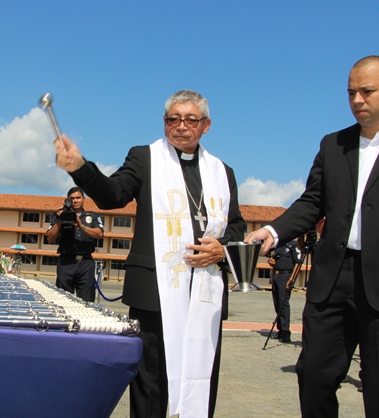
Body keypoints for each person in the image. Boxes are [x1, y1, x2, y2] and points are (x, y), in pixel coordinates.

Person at [245, 56, 379, 417]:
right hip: (332, 280)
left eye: (367, 91)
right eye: (351, 92)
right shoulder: (333, 144)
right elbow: (312, 202)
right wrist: (273, 229)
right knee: (313, 375)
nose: (357, 100)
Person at [53, 90, 245, 417]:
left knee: (201, 376)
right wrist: (81, 169)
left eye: (190, 120)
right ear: (164, 122)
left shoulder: (222, 172)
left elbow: (236, 225)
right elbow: (113, 195)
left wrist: (222, 247)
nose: (181, 126)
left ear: (206, 125)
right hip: (155, 290)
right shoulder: (145, 158)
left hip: (205, 291)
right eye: (173, 119)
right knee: (151, 384)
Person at [45, 187, 104, 302]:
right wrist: (59, 220)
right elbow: (50, 238)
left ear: (83, 199)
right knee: (62, 300)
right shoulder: (60, 216)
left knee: (87, 302)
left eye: (78, 198)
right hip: (66, 262)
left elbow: (99, 234)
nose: (75, 201)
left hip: (86, 263)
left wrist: (82, 226)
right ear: (67, 200)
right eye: (72, 198)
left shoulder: (92, 216)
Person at [268, 239, 301, 343]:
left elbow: (298, 263)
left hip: (286, 276)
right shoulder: (278, 245)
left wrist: (292, 279)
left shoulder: (293, 244)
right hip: (276, 275)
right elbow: (274, 260)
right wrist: (271, 262)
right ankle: (281, 330)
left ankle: (286, 332)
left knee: (283, 304)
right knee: (277, 303)